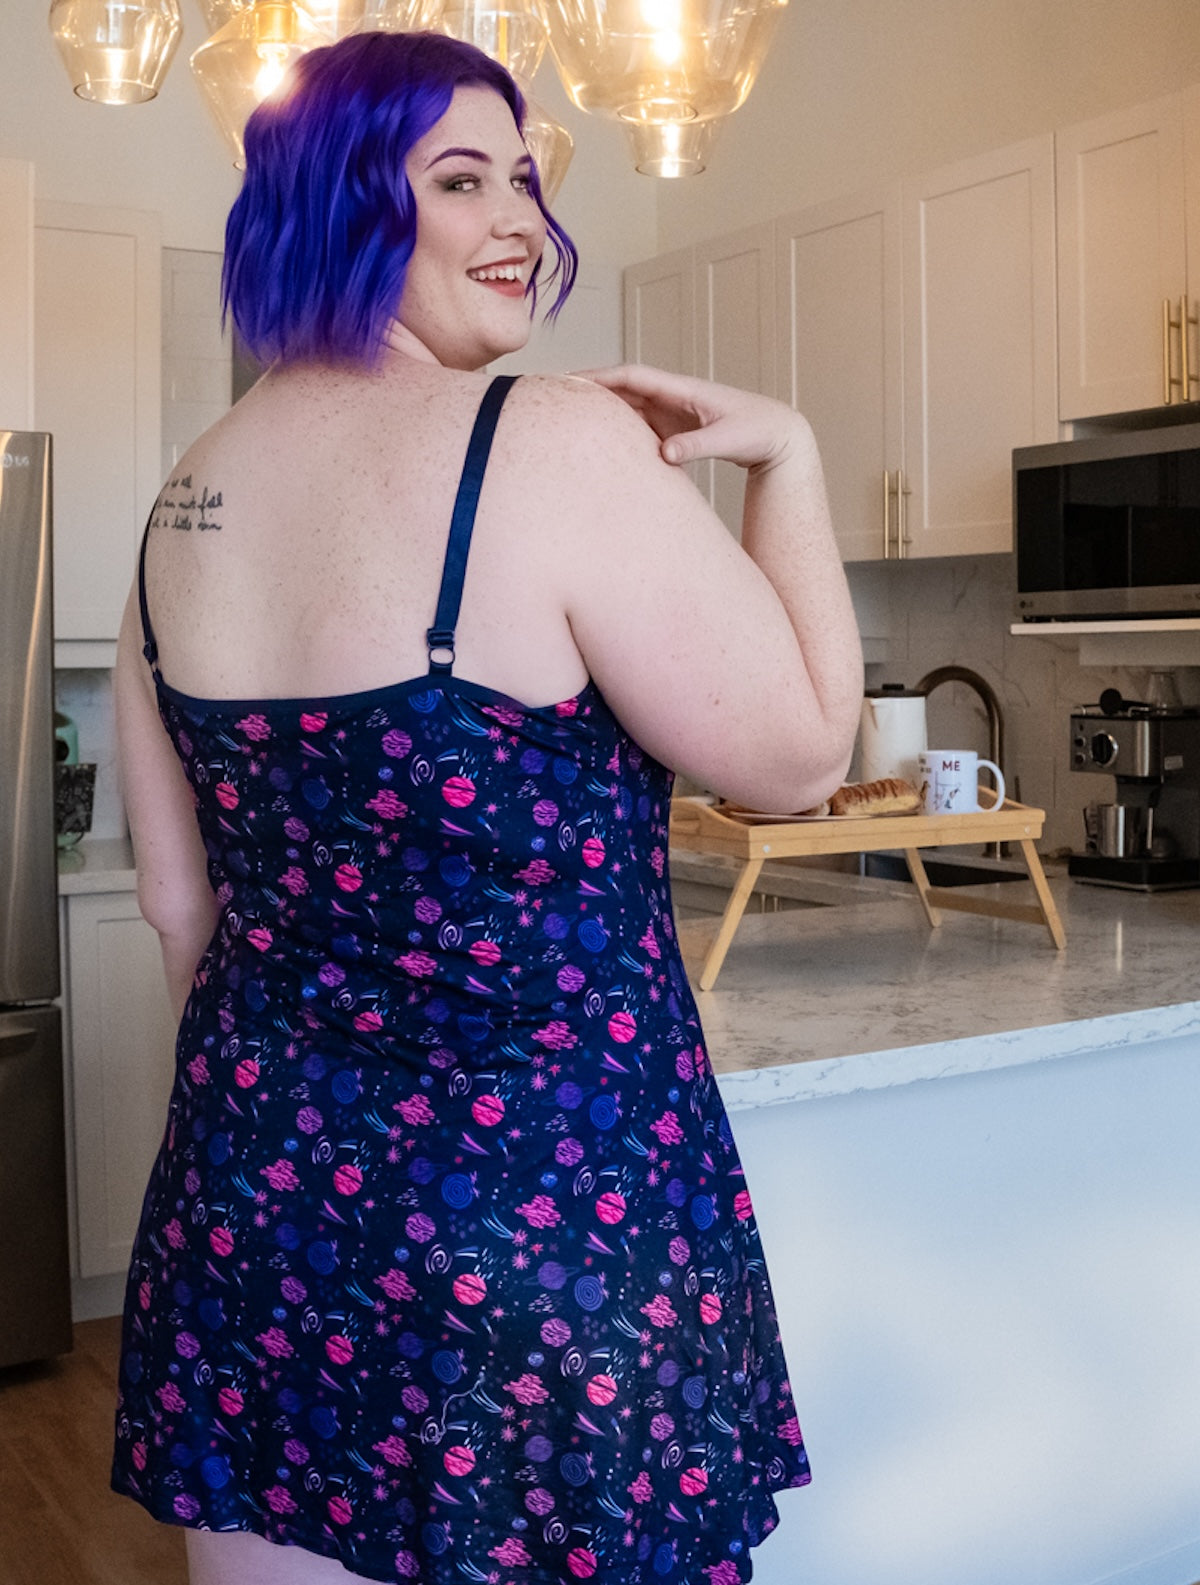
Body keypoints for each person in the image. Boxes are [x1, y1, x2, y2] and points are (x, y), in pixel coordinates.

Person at [111, 27, 862, 1585]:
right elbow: (800, 758)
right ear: (341, 206)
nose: (522, 217)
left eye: (525, 176)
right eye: (462, 181)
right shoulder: (550, 442)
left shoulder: (184, 500)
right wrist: (788, 458)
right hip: (545, 1239)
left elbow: (181, 909)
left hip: (252, 1219)